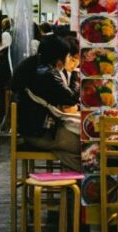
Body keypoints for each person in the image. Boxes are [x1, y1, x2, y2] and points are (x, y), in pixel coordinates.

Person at [16, 35, 82, 171]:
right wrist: (76, 73)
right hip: (41, 133)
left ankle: (73, 182)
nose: (69, 59)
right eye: (68, 56)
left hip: (35, 130)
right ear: (59, 56)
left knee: (70, 153)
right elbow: (71, 99)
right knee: (86, 146)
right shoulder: (47, 74)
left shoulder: (35, 66)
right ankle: (89, 180)